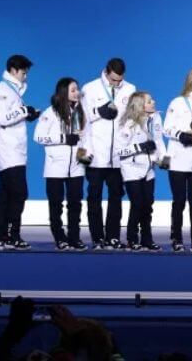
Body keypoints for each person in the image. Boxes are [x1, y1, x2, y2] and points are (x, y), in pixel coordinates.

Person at [82, 58, 135, 250]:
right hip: (96, 154)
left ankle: (113, 236)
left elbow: (132, 118)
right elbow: (83, 118)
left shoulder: (130, 89)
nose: (116, 84)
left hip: (117, 156)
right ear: (106, 71)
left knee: (116, 196)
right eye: (113, 80)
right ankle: (97, 238)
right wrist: (99, 111)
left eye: (119, 80)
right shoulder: (90, 88)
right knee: (94, 197)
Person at [0, 54, 39, 251]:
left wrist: (28, 113)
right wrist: (24, 111)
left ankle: (2, 235)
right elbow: (2, 118)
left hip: (14, 151)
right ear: (14, 70)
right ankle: (10, 235)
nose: (26, 76)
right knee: (18, 193)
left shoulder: (13, 92)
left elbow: (12, 116)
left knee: (7, 194)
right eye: (24, 72)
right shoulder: (3, 91)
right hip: (9, 152)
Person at [34, 77, 87, 251]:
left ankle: (74, 237)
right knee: (56, 204)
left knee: (75, 204)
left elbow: (85, 138)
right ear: (64, 92)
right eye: (73, 90)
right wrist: (64, 138)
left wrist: (84, 156)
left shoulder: (81, 112)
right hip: (55, 166)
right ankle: (59, 237)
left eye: (77, 89)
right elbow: (38, 137)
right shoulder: (50, 113)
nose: (77, 92)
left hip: (76, 167)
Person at [161, 68, 192, 252]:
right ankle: (176, 237)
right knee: (179, 201)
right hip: (179, 160)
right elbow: (167, 128)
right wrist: (182, 136)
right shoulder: (178, 102)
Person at [115, 91, 162, 251]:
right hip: (132, 170)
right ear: (140, 106)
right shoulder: (128, 124)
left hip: (149, 170)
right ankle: (131, 238)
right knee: (137, 204)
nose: (153, 102)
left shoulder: (154, 119)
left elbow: (158, 141)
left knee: (148, 205)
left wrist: (160, 158)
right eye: (149, 101)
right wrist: (140, 147)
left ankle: (147, 239)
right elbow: (119, 151)